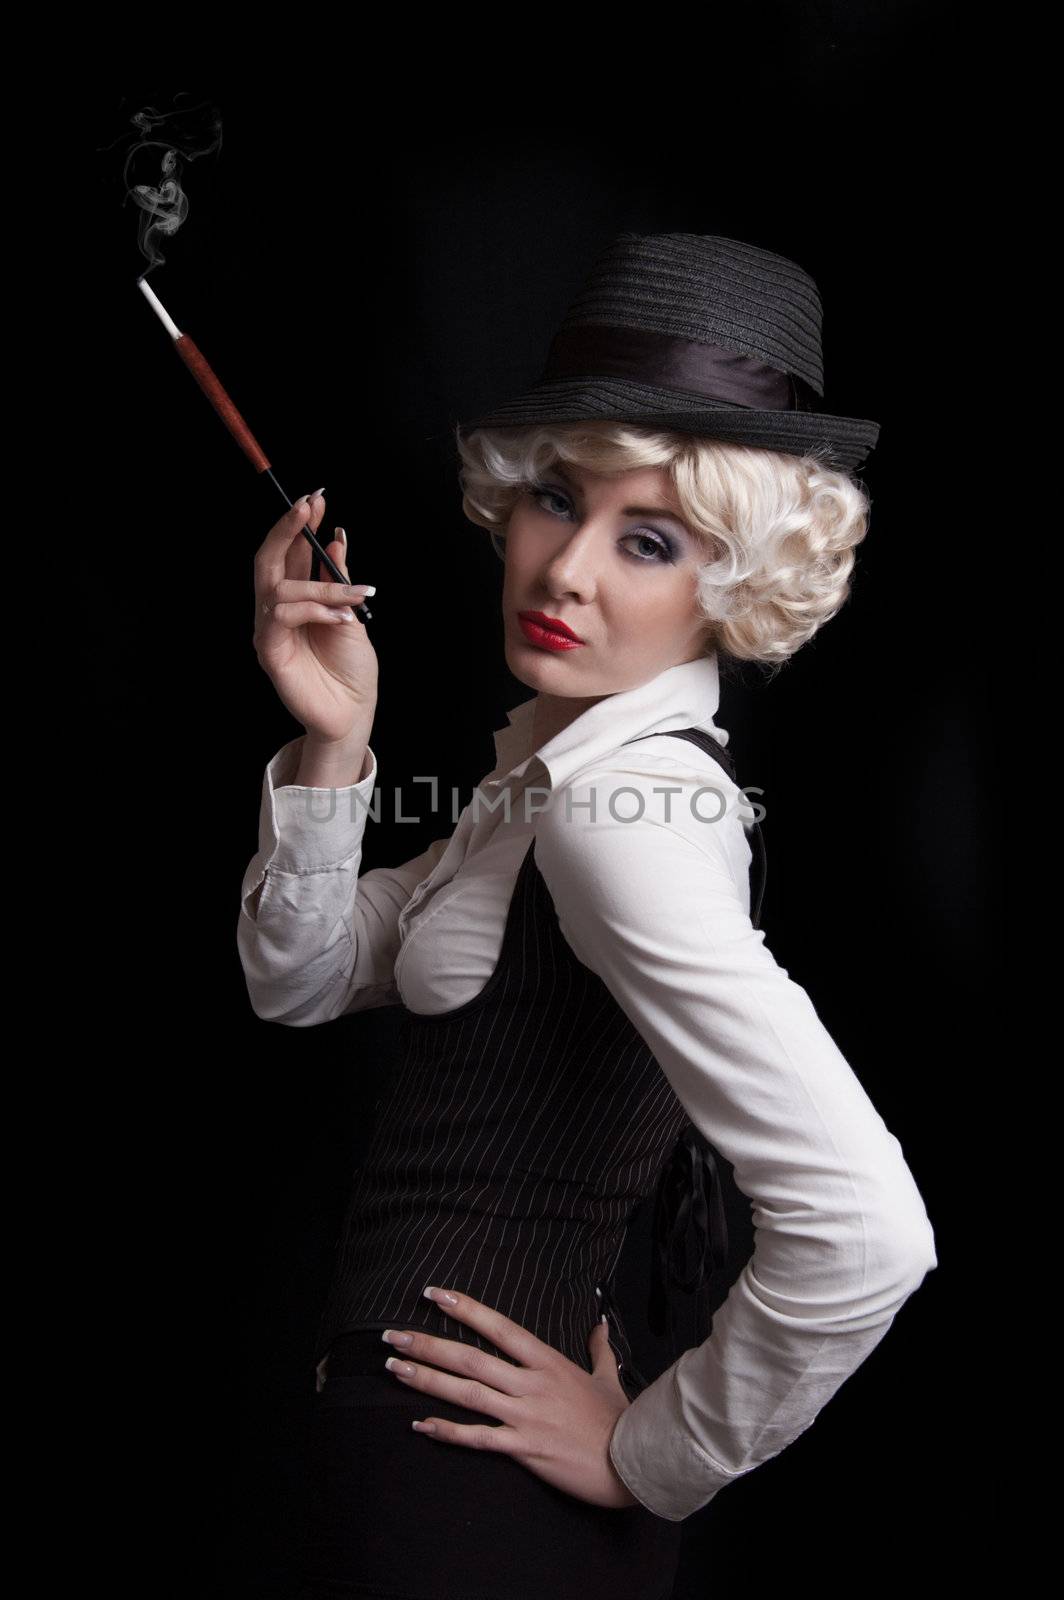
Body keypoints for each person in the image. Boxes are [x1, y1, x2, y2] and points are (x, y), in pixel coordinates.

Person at [238, 232, 938, 1600]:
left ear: (730, 581)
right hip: (429, 1476)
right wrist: (335, 747)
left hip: (466, 1499)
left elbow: (865, 1229)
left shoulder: (626, 819)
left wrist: (649, 1455)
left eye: (652, 540)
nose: (565, 572)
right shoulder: (554, 778)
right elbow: (303, 977)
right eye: (559, 500)